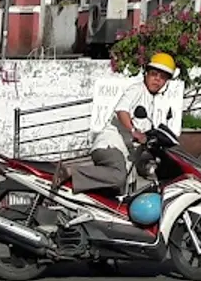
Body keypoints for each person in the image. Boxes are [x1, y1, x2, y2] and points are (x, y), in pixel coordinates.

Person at [53, 52, 179, 195]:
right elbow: (122, 111)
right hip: (111, 146)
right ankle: (71, 171)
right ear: (146, 74)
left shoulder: (151, 101)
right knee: (118, 178)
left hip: (125, 155)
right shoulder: (137, 90)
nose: (157, 80)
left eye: (162, 77)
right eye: (154, 74)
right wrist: (133, 131)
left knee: (122, 193)